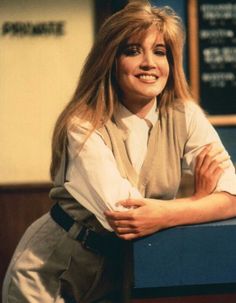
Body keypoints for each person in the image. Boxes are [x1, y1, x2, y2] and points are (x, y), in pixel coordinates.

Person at [2, 1, 236, 302]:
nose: (149, 63)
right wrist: (199, 202)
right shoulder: (82, 125)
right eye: (133, 50)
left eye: (160, 51)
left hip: (121, 271)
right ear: (110, 60)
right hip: (50, 272)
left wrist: (169, 212)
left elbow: (233, 193)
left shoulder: (185, 114)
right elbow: (127, 217)